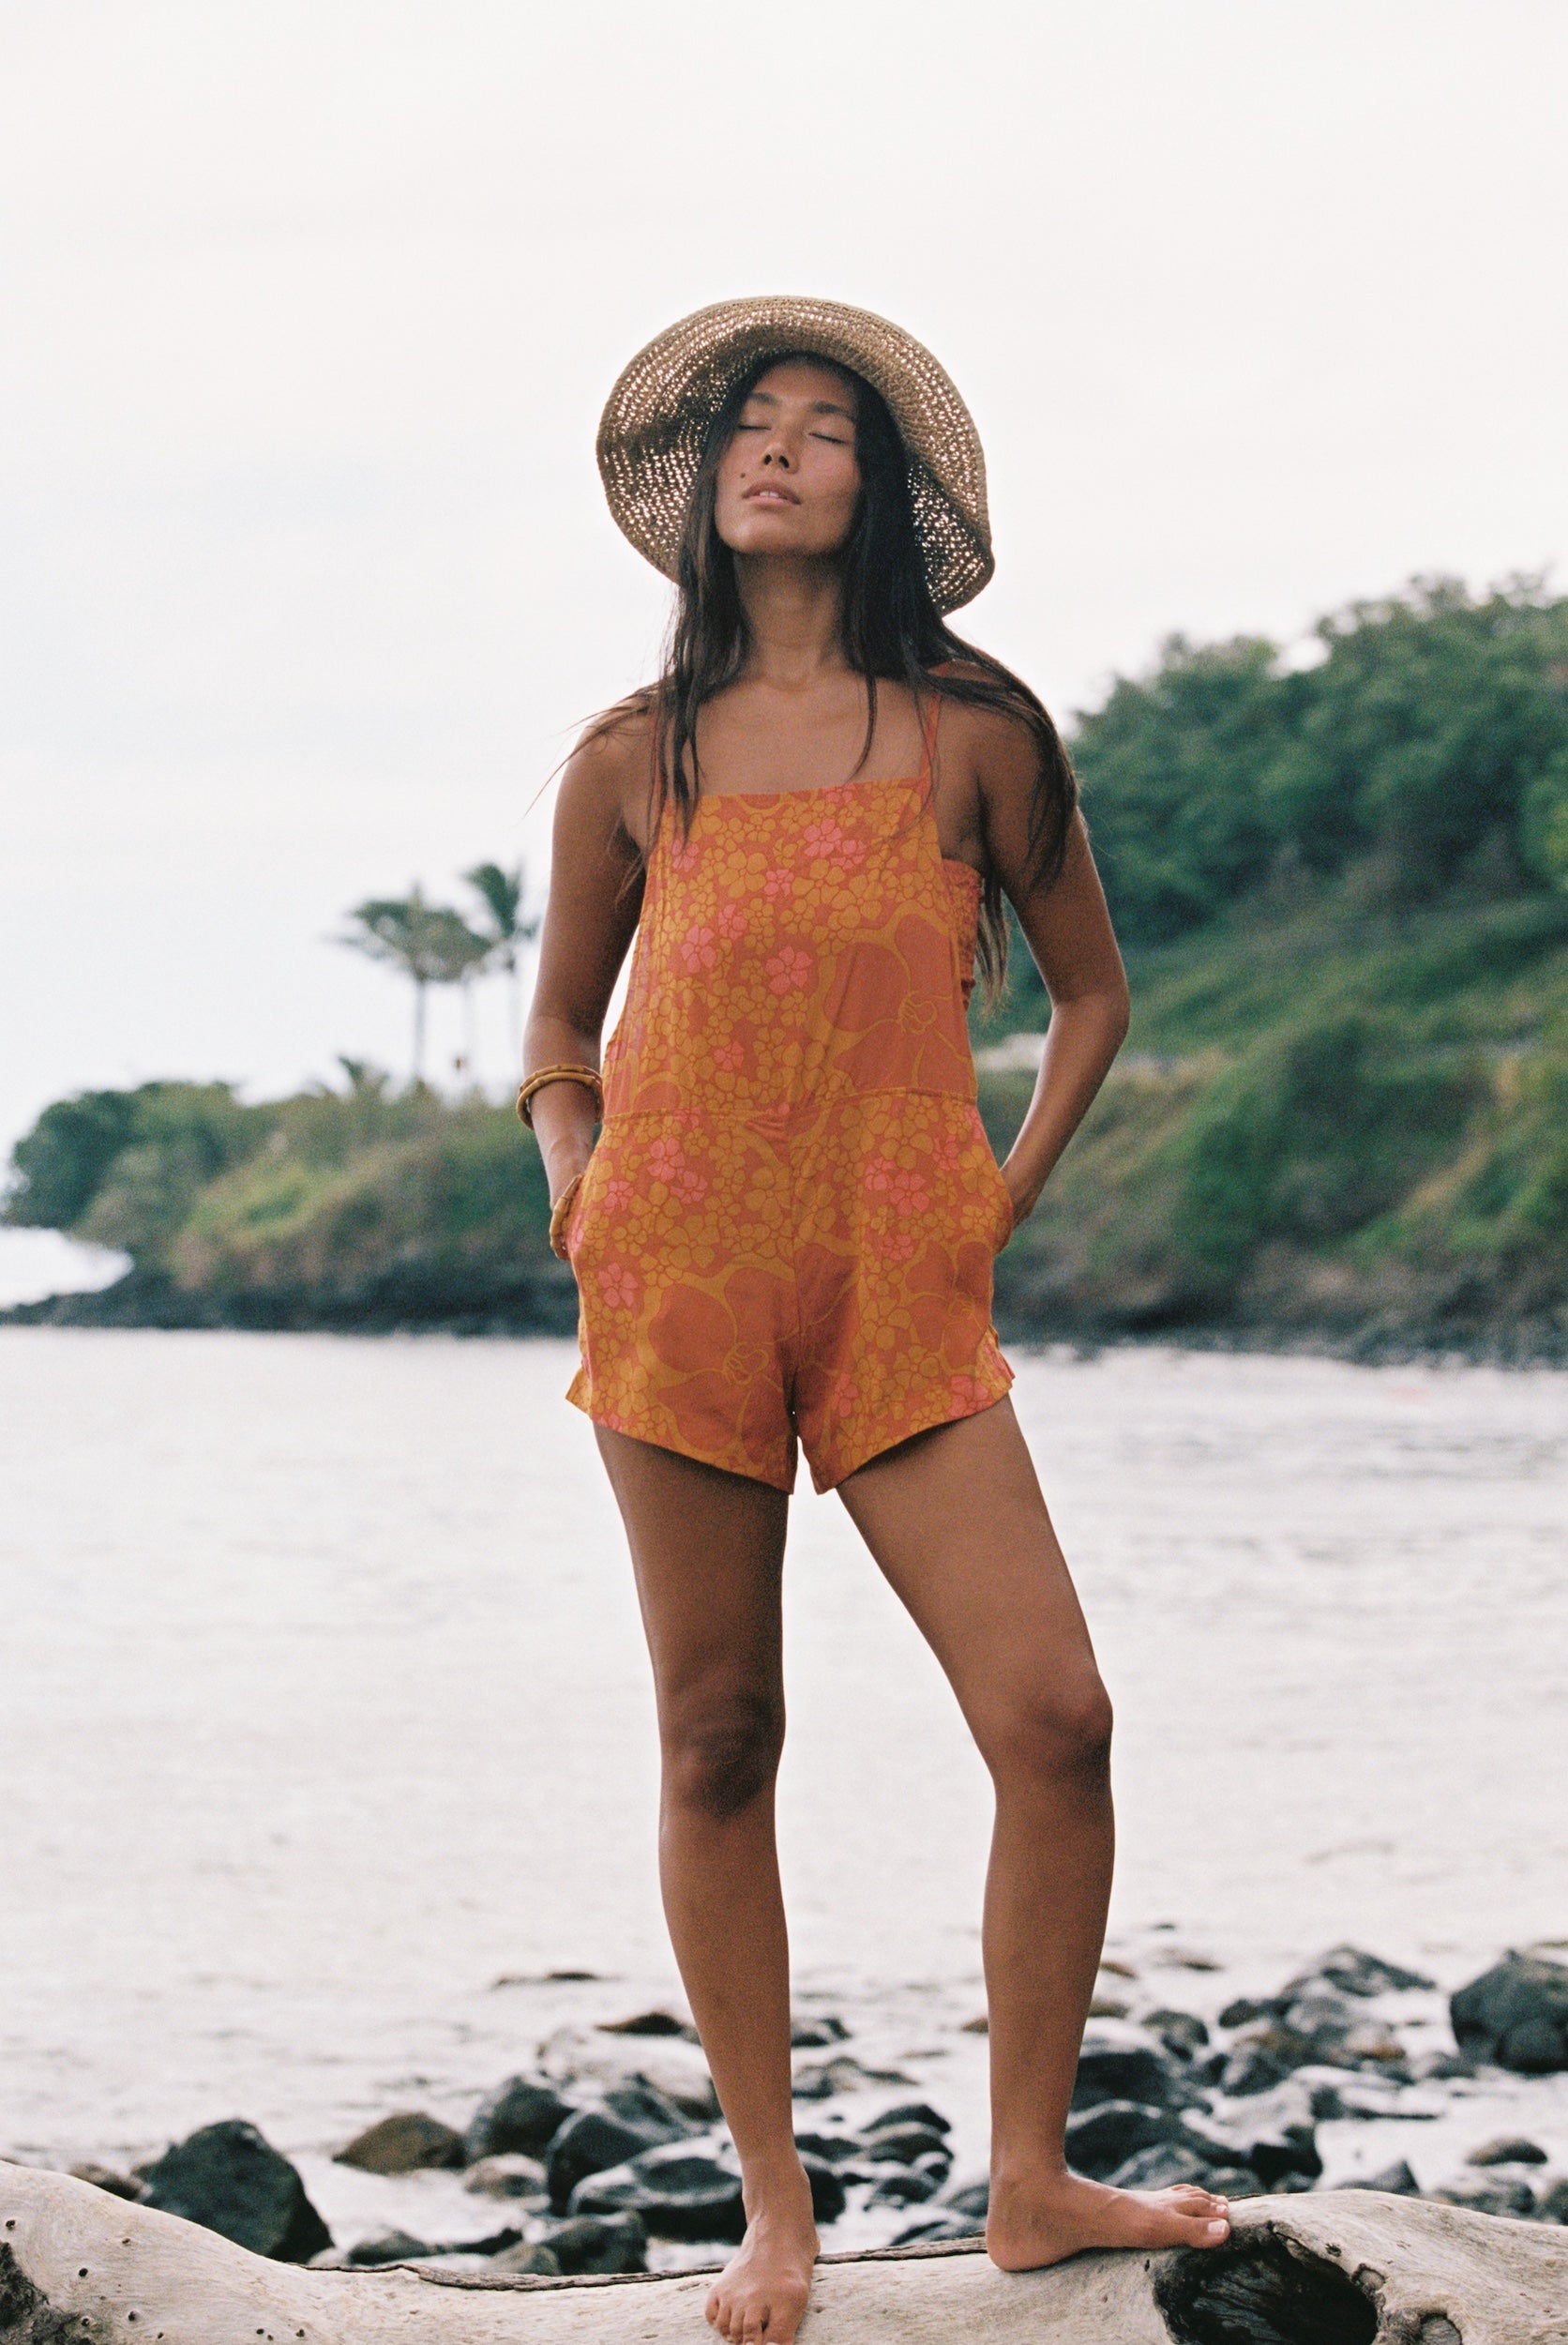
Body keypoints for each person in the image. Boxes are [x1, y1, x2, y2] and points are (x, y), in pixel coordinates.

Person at [520, 297, 1229, 2344]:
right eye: (753, 422)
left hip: (898, 1281)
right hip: (678, 1271)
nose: (779, 449)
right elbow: (559, 1028)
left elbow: (1091, 994)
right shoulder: (628, 757)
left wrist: (999, 1197)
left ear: (876, 489)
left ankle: (1029, 2178)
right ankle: (773, 2208)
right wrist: (578, 1180)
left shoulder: (974, 732)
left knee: (1056, 1720)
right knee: (718, 1732)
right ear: (704, 483)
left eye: (824, 429)